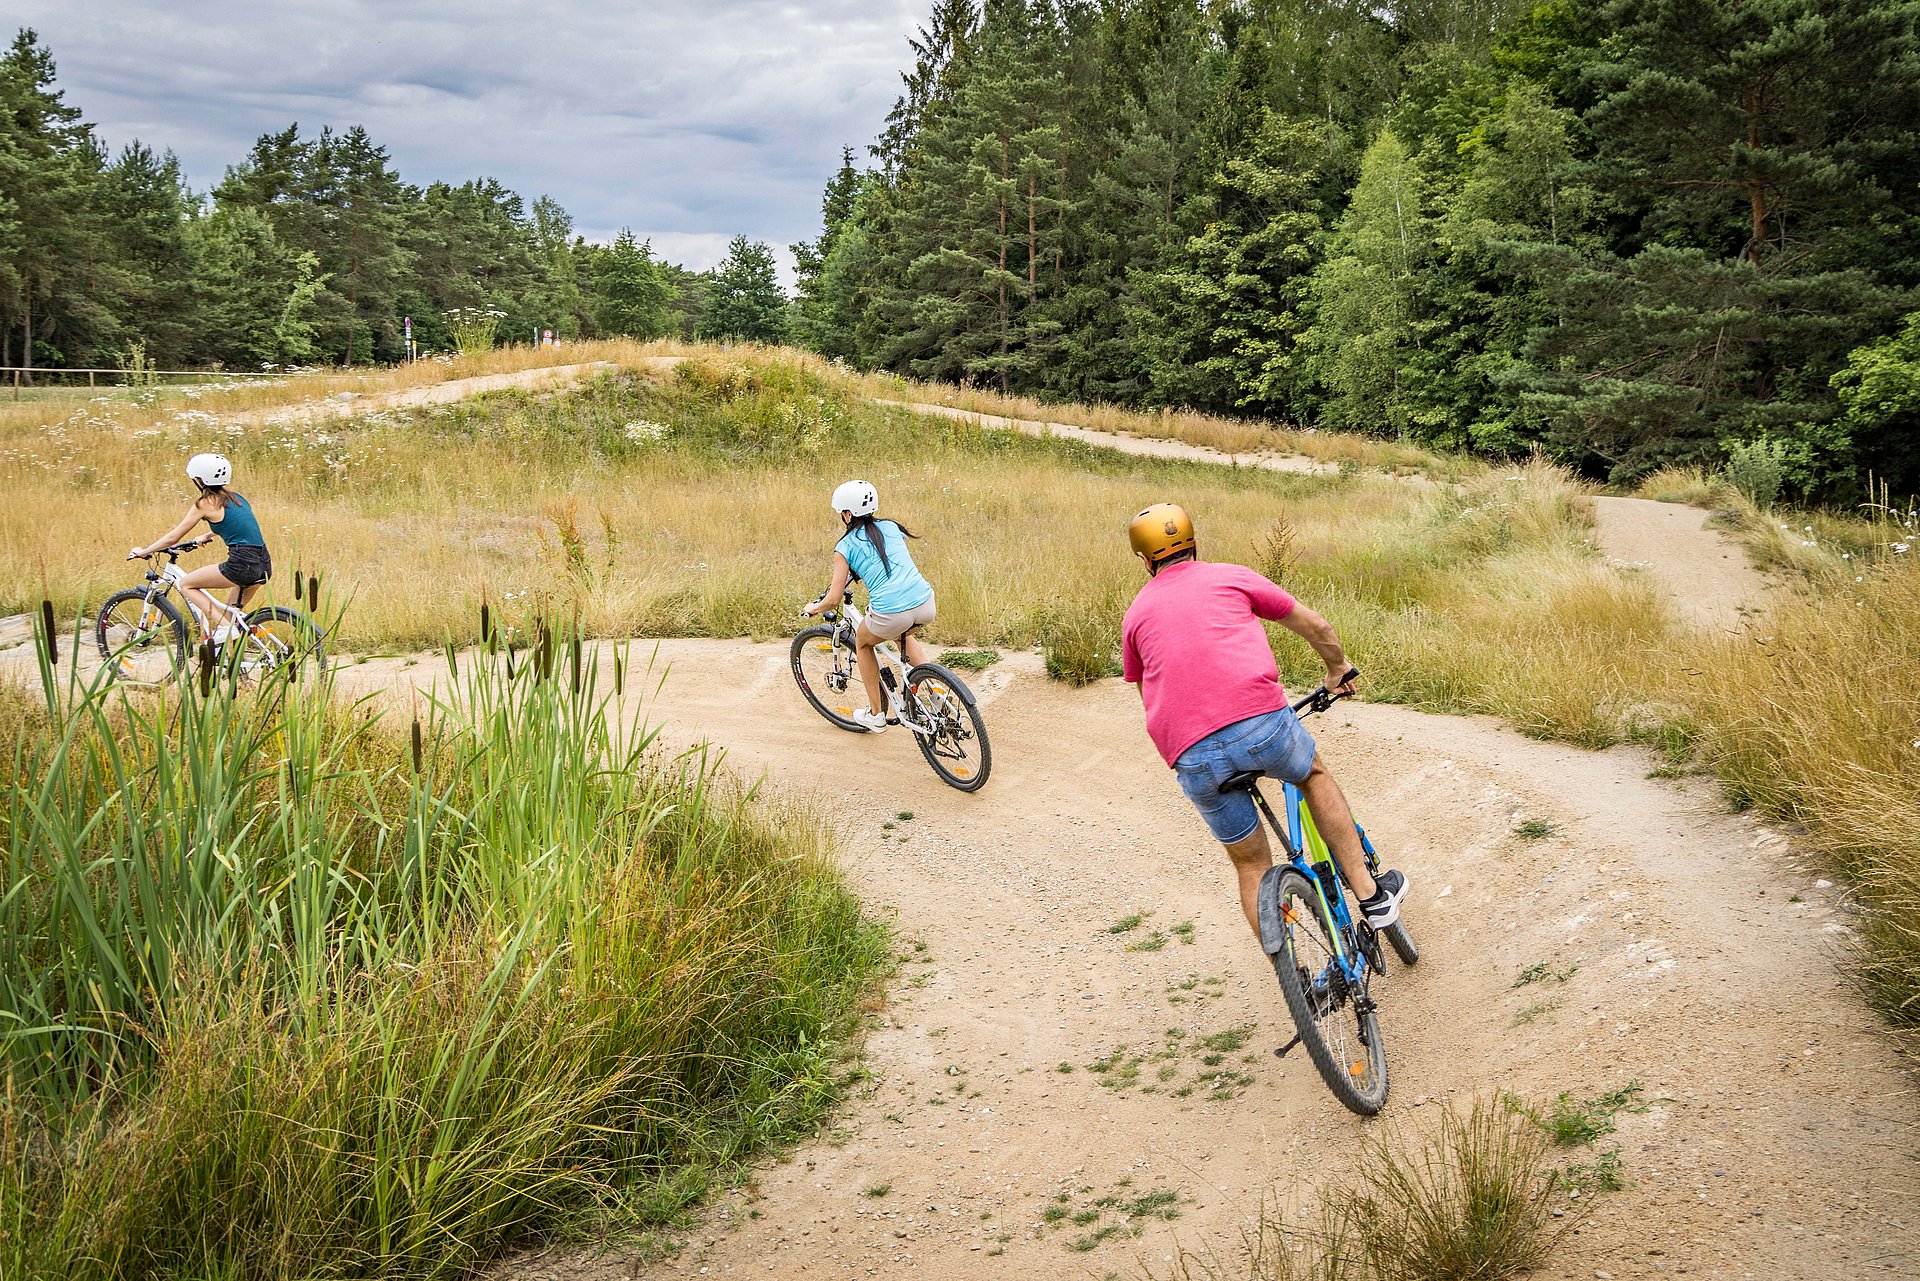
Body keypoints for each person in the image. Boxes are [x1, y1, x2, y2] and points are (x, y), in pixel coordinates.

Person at [1120, 502, 1406, 937]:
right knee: (1312, 774)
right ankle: (1372, 897)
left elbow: (1148, 694)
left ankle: (1293, 969)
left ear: (1144, 559)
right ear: (1195, 542)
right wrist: (1336, 670)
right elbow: (1318, 627)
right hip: (1261, 726)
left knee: (1252, 863)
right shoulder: (1230, 576)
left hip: (1191, 754)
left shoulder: (1136, 616)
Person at [802, 480, 935, 733]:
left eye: (841, 512)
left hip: (891, 612)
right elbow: (884, 559)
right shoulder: (891, 527)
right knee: (902, 634)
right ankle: (938, 693)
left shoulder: (844, 547)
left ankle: (876, 715)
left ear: (848, 514)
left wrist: (814, 608)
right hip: (925, 602)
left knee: (863, 643)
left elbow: (832, 599)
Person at [129, 453, 273, 643]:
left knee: (186, 584)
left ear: (199, 480)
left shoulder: (204, 504)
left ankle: (222, 627)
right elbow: (241, 524)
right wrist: (208, 534)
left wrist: (144, 552)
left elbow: (173, 537)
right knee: (231, 620)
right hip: (263, 562)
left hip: (242, 564)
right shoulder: (237, 498)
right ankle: (230, 665)